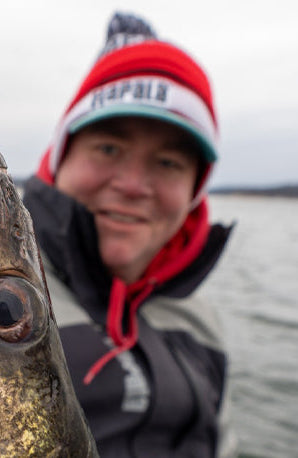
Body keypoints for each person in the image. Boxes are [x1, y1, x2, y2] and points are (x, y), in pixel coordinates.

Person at [23, 11, 237, 458]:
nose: (133, 185)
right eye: (108, 148)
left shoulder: (202, 323)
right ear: (60, 158)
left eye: (168, 162)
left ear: (194, 191)